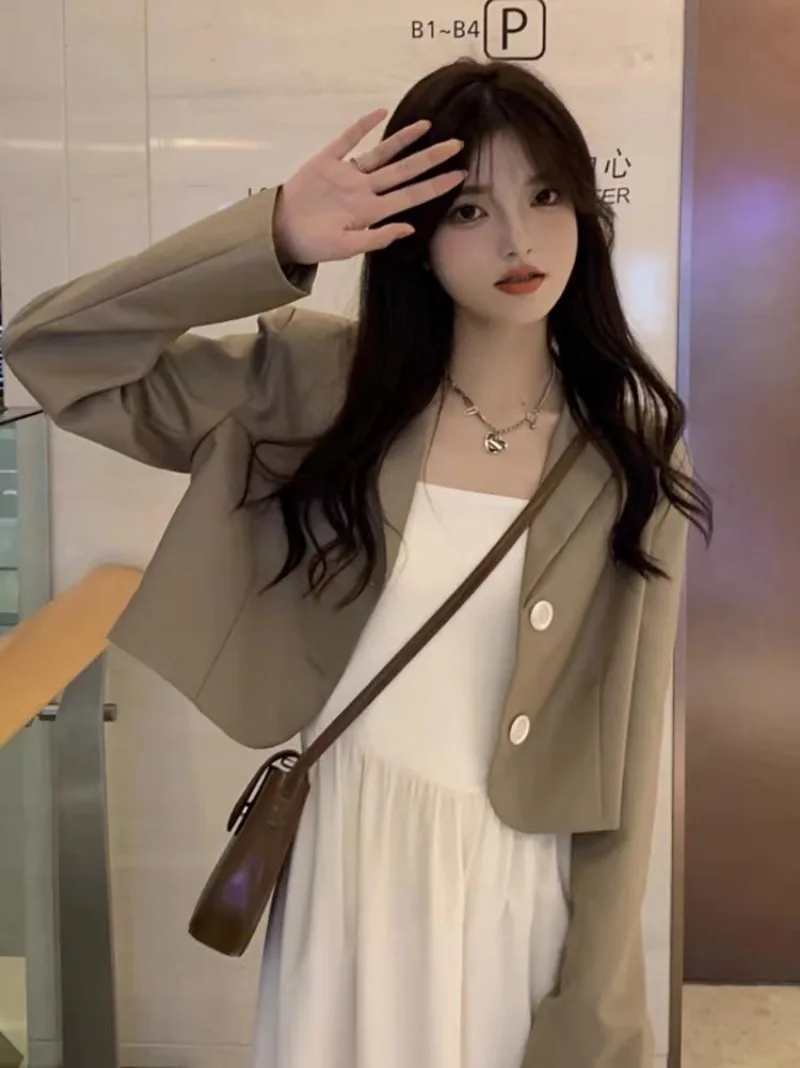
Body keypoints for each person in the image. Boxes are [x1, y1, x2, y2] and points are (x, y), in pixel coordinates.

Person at [4, 57, 711, 1068]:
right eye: (468, 209)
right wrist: (272, 237)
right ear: (411, 236)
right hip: (349, 875)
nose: (517, 240)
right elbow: (49, 351)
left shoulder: (631, 453)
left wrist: (596, 1003)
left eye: (545, 196)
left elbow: (629, 755)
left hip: (522, 893)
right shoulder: (313, 388)